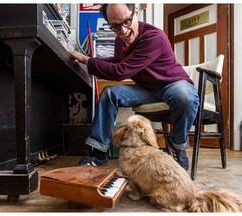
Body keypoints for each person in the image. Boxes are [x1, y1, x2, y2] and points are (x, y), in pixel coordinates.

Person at [69, 4, 199, 171]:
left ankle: (178, 145)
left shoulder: (154, 37)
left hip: (171, 84)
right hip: (147, 89)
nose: (122, 31)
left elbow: (120, 71)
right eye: (115, 26)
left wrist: (87, 60)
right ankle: (98, 154)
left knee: (185, 97)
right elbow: (117, 62)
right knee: (110, 93)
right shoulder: (120, 40)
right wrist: (87, 59)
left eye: (127, 21)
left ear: (136, 13)